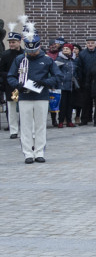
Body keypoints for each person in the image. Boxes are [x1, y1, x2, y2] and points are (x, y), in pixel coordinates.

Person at [6, 30, 60, 163]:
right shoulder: (20, 59)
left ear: (39, 47)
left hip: (41, 96)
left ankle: (39, 152)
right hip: (25, 96)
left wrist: (45, 82)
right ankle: (28, 153)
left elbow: (58, 76)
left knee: (40, 126)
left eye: (34, 51)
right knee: (25, 126)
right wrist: (18, 85)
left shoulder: (47, 60)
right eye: (29, 51)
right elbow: (10, 76)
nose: (31, 53)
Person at [1, 30, 22, 137]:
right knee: (12, 108)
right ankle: (13, 130)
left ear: (19, 42)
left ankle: (26, 129)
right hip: (12, 86)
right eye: (10, 42)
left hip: (23, 86)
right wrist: (11, 75)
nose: (11, 44)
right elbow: (1, 70)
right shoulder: (5, 55)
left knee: (24, 108)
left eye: (13, 42)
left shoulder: (25, 54)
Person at [54, 43, 79, 128]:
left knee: (70, 104)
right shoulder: (59, 59)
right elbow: (56, 71)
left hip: (71, 85)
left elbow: (75, 71)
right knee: (62, 104)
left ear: (71, 50)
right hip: (62, 85)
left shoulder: (74, 60)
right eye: (64, 49)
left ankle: (69, 121)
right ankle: (60, 121)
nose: (65, 50)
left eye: (67, 49)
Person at [78, 38, 96, 125]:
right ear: (86, 44)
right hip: (85, 80)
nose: (90, 45)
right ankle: (85, 119)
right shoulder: (82, 54)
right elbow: (79, 68)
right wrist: (80, 80)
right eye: (88, 43)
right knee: (85, 101)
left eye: (92, 43)